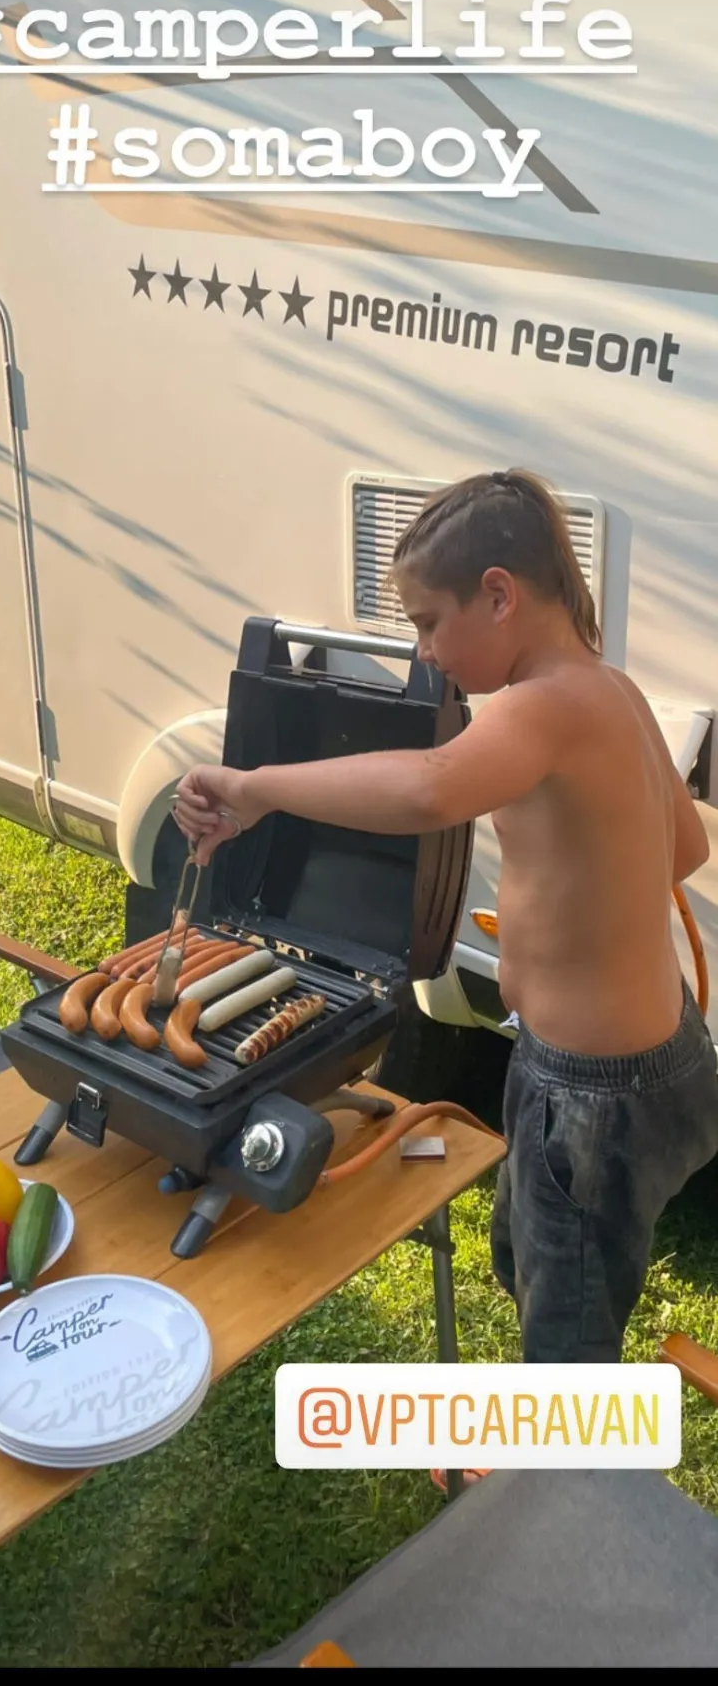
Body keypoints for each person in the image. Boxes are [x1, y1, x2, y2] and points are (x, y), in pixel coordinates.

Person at [173, 468, 718, 1367]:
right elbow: (682, 850)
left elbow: (430, 789)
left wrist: (255, 788)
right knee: (530, 1260)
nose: (424, 652)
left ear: (498, 596)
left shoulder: (542, 706)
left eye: (428, 623)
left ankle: (563, 1453)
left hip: (593, 1095)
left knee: (567, 1342)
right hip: (648, 1063)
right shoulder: (610, 690)